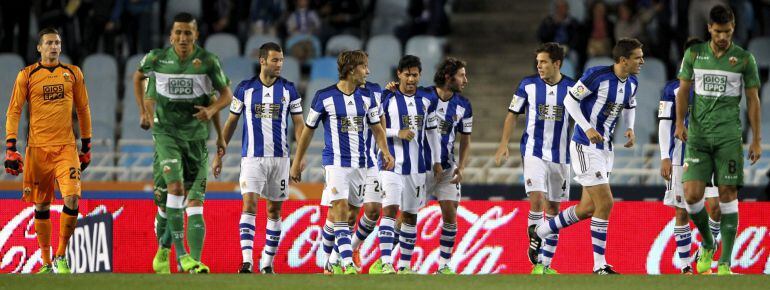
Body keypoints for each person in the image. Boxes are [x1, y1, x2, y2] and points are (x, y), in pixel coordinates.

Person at [530, 38, 644, 275]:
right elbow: (569, 100)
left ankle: (540, 231)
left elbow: (631, 104)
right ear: (623, 60)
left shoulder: (632, 82)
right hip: (584, 145)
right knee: (606, 203)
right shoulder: (596, 76)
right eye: (638, 57)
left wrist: (629, 127)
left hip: (606, 149)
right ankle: (599, 265)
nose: (642, 61)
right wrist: (586, 127)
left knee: (586, 208)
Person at [132, 12, 233, 274]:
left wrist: (217, 129)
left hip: (197, 140)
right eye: (178, 32)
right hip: (166, 135)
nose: (183, 37)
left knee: (192, 202)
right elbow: (138, 77)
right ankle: (183, 256)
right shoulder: (157, 60)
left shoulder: (208, 63)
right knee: (174, 191)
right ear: (170, 35)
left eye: (188, 32)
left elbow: (222, 97)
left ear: (196, 35)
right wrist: (143, 112)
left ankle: (179, 258)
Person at [674, 5, 762, 275]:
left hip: (728, 138)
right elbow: (683, 91)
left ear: (733, 27)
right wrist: (679, 122)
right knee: (691, 195)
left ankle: (724, 263)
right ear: (709, 28)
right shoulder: (694, 54)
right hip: (698, 137)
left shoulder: (745, 59)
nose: (722, 36)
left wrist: (756, 138)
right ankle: (708, 242)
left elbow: (753, 100)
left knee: (728, 195)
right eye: (718, 31)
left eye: (727, 31)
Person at [290, 50, 395, 275]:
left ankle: (331, 261)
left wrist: (385, 151)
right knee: (340, 207)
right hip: (336, 163)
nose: (368, 71)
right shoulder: (323, 96)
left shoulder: (367, 97)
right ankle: (346, 263)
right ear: (351, 69)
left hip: (363, 163)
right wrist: (297, 160)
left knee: (350, 216)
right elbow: (308, 131)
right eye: (364, 67)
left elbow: (377, 127)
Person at [211, 42, 304, 274]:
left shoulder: (289, 89)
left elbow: (299, 124)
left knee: (274, 211)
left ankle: (267, 263)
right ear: (262, 61)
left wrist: (299, 157)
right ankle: (247, 261)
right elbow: (231, 122)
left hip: (280, 159)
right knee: (249, 204)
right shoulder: (245, 89)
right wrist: (219, 154)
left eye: (281, 60)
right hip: (252, 158)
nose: (279, 64)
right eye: (275, 60)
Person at [4, 27, 92, 274]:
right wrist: (11, 147)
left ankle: (61, 255)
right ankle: (45, 262)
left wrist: (86, 144)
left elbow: (83, 109)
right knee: (41, 206)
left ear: (61, 47)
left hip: (66, 148)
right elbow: (14, 112)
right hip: (37, 150)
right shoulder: (27, 75)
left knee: (72, 198)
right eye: (49, 43)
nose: (54, 47)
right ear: (39, 48)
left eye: (57, 43)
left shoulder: (72, 73)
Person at [496, 42, 574, 275]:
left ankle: (546, 265)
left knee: (553, 209)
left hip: (561, 155)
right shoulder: (527, 85)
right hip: (533, 151)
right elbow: (512, 115)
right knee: (537, 199)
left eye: (543, 62)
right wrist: (504, 143)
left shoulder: (572, 87)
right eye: (537, 62)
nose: (539, 66)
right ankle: (535, 253)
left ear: (556, 63)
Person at [367, 55, 441, 274]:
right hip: (391, 164)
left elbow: (432, 132)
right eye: (407, 74)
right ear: (398, 74)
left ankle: (405, 266)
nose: (411, 79)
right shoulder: (386, 98)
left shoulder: (427, 100)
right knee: (389, 210)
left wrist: (436, 161)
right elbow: (374, 128)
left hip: (417, 167)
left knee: (410, 215)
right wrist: (396, 133)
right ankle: (386, 262)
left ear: (420, 76)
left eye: (415, 75)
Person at [658, 37, 722, 275]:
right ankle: (686, 266)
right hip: (680, 159)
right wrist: (665, 156)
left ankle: (707, 248)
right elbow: (664, 125)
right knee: (682, 211)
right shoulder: (671, 88)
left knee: (716, 207)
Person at [422, 57, 472, 275]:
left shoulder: (464, 105)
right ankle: (387, 259)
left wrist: (461, 166)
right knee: (407, 215)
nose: (465, 80)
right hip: (420, 168)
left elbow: (466, 139)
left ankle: (444, 265)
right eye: (461, 75)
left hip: (447, 169)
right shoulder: (422, 96)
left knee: (450, 213)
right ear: (447, 76)